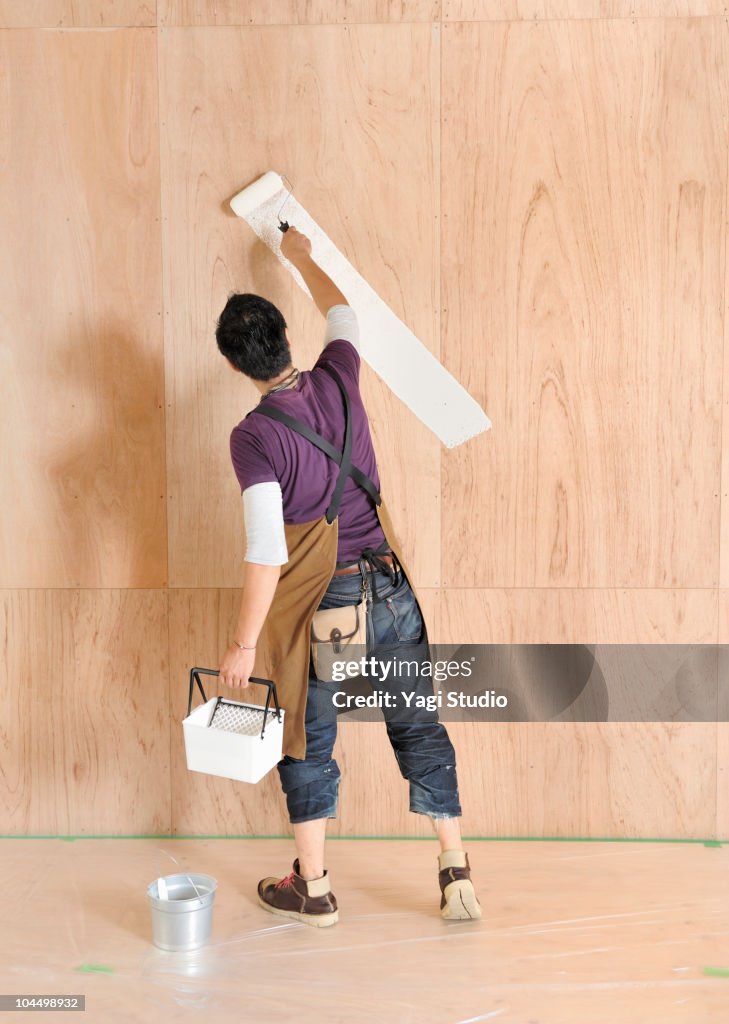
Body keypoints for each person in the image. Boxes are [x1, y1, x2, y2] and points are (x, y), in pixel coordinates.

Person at [214, 225, 480, 927]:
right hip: (391, 587)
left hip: (329, 609)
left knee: (307, 740)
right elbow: (344, 313)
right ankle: (455, 873)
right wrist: (300, 256)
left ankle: (315, 887)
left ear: (234, 366)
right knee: (418, 725)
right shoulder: (338, 373)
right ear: (285, 339)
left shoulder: (253, 437)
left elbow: (268, 551)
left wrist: (242, 646)